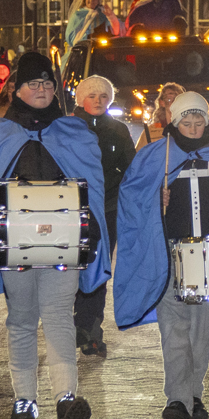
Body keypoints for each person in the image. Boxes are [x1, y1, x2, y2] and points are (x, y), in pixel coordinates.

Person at [0, 51, 110, 419]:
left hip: (64, 239)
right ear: (17, 89)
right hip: (14, 241)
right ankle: (24, 401)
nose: (42, 89)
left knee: (58, 315)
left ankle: (66, 399)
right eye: (33, 83)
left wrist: (92, 224)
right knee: (21, 319)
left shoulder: (73, 133)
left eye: (47, 84)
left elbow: (91, 183)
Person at [113, 92, 209, 419]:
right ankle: (177, 398)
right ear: (174, 121)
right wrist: (154, 198)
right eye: (186, 121)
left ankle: (194, 394)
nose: (193, 126)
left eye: (198, 120)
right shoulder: (156, 156)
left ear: (207, 120)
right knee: (174, 327)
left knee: (201, 330)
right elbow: (132, 193)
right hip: (169, 253)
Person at [71, 74, 137, 356]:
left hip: (107, 208)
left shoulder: (118, 130)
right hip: (72, 209)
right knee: (70, 267)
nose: (98, 101)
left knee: (98, 268)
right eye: (92, 96)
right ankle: (67, 326)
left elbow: (131, 167)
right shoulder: (66, 129)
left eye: (103, 96)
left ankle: (90, 329)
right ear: (80, 99)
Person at [136, 82, 185, 149]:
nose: (174, 103)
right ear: (162, 102)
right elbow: (140, 154)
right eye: (169, 99)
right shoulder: (150, 132)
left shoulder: (189, 130)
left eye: (178, 99)